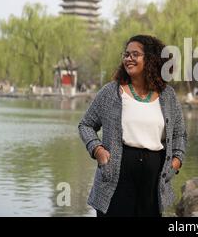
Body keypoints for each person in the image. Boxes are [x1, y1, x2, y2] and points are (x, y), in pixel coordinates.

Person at [78, 35, 187, 217]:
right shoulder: (111, 92)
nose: (129, 58)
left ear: (151, 59)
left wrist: (176, 162)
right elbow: (86, 125)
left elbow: (179, 135)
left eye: (135, 54)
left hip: (154, 177)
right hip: (117, 173)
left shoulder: (168, 96)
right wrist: (97, 150)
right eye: (126, 54)